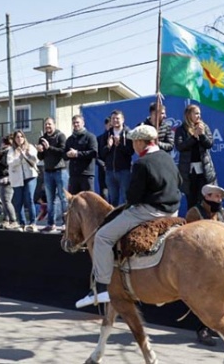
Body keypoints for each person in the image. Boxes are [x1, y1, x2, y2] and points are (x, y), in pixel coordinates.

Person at [76, 124, 181, 309]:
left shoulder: (142, 163)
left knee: (102, 237)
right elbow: (178, 182)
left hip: (150, 211)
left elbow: (133, 197)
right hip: (173, 211)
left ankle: (101, 288)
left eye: (134, 142)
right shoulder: (167, 157)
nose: (133, 146)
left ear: (141, 142)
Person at [184, 183, 224, 346]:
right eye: (216, 196)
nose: (219, 199)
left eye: (220, 197)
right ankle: (202, 329)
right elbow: (188, 238)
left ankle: (215, 326)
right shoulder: (194, 212)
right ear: (207, 196)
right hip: (201, 262)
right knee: (204, 297)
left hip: (219, 261)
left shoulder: (222, 213)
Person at [174, 104, 216, 209]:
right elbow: (180, 147)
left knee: (205, 199)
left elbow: (210, 144)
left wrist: (201, 135)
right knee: (192, 200)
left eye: (199, 114)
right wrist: (194, 137)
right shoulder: (181, 129)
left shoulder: (204, 127)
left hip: (204, 170)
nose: (199, 116)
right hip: (189, 171)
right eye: (196, 113)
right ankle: (193, 221)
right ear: (189, 115)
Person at [37, 117, 68, 232]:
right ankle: (51, 224)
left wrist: (49, 147)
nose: (47, 126)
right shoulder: (42, 138)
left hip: (60, 171)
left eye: (49, 124)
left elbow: (63, 152)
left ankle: (66, 223)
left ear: (54, 125)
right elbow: (40, 157)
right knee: (50, 199)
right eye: (46, 125)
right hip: (48, 172)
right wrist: (40, 151)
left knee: (64, 198)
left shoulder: (60, 136)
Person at [98, 110, 134, 206]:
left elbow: (131, 151)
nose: (115, 120)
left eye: (117, 118)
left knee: (126, 198)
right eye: (113, 118)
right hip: (110, 172)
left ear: (123, 120)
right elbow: (101, 153)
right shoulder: (107, 134)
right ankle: (114, 219)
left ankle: (127, 220)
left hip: (124, 171)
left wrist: (119, 145)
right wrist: (108, 146)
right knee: (113, 199)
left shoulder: (128, 133)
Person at [8, 130, 39, 232]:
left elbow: (36, 160)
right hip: (17, 179)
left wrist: (28, 155)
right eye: (17, 137)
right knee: (18, 201)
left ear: (24, 137)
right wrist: (19, 158)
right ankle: (22, 223)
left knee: (29, 198)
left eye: (21, 136)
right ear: (14, 139)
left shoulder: (30, 147)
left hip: (30, 176)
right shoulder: (11, 150)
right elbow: (10, 163)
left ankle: (33, 223)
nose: (19, 138)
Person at [64, 115, 99, 194]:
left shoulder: (90, 137)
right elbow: (64, 155)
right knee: (74, 200)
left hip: (86, 175)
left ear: (83, 123)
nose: (76, 124)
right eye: (74, 123)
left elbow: (94, 153)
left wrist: (77, 154)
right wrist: (68, 154)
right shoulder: (70, 139)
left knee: (89, 200)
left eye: (77, 122)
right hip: (74, 175)